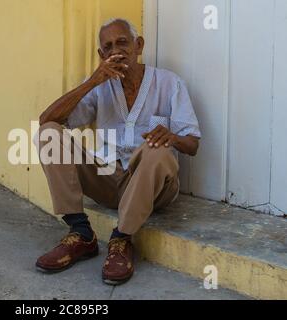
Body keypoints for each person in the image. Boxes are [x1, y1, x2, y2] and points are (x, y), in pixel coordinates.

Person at [35, 18, 201, 285]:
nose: (117, 50)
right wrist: (92, 81)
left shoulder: (169, 83)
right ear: (102, 55)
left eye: (123, 42)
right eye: (108, 46)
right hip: (108, 179)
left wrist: (171, 137)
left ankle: (122, 240)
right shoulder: (99, 86)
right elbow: (47, 119)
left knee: (156, 150)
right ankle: (81, 233)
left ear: (139, 45)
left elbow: (193, 144)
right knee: (48, 134)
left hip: (152, 187)